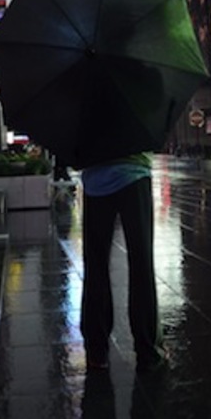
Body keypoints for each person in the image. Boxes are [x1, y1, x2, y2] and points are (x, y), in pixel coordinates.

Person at [80, 153, 165, 373]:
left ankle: (96, 351)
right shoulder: (136, 127)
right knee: (141, 263)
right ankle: (147, 350)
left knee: (96, 266)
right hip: (134, 174)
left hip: (96, 180)